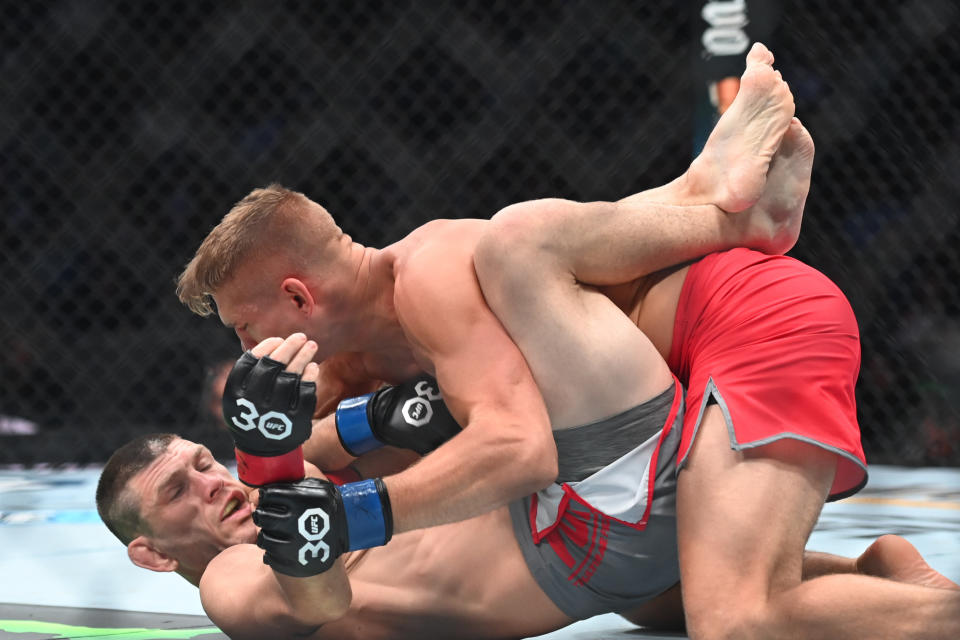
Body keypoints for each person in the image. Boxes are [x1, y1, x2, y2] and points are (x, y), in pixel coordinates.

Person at [96, 336, 955, 639]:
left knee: (723, 612)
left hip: (574, 526)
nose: (209, 485)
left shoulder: (283, 476)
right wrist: (279, 460)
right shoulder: (230, 582)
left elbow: (318, 439)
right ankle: (879, 568)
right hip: (592, 557)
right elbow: (313, 600)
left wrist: (369, 418)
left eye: (203, 462)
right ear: (151, 553)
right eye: (178, 493)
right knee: (683, 607)